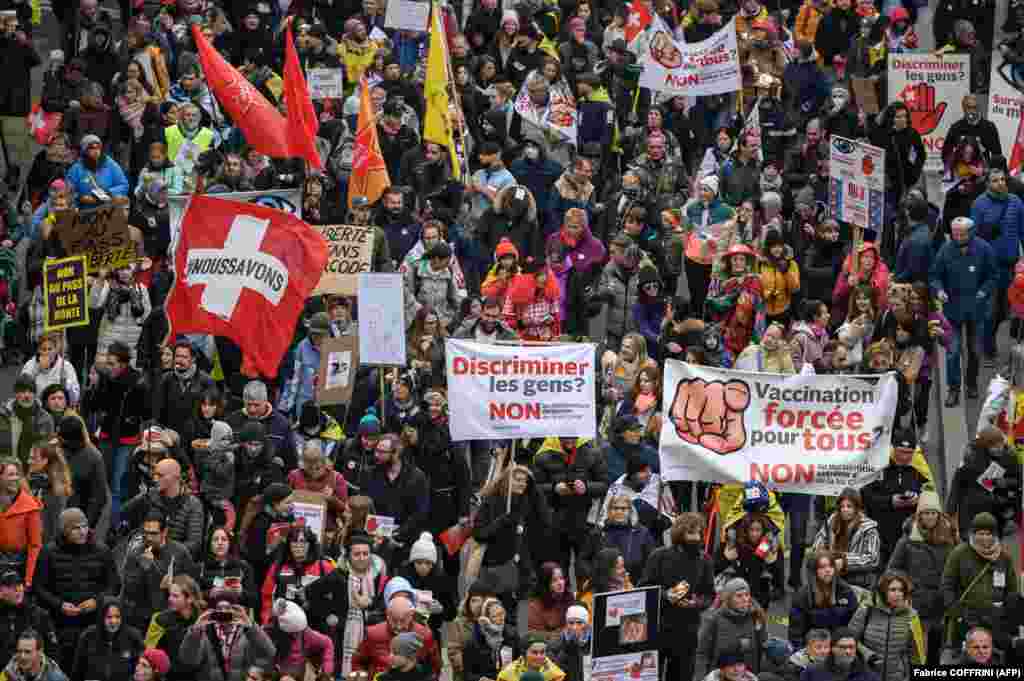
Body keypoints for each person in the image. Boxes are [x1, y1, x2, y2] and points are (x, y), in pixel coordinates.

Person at [33, 507, 118, 670]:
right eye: (76, 528)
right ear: (65, 531)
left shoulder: (102, 551)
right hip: (60, 624)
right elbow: (39, 588)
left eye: (85, 526)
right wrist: (59, 605)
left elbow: (114, 585)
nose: (82, 532)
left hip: (93, 622)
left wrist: (97, 601)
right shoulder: (48, 552)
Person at [929, 216, 996, 406]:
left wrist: (983, 291)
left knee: (974, 350)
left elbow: (993, 276)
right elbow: (934, 276)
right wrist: (939, 290)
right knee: (952, 352)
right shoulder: (945, 250)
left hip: (976, 310)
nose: (958, 237)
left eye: (962, 234)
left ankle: (972, 383)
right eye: (955, 234)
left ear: (971, 232)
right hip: (953, 311)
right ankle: (953, 389)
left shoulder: (984, 249)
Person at [641, 513, 714, 681]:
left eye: (698, 533)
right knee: (650, 676)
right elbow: (644, 587)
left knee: (682, 675)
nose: (696, 537)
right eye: (691, 533)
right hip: (657, 626)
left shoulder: (705, 560)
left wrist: (696, 603)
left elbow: (709, 595)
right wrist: (666, 595)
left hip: (687, 630)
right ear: (680, 533)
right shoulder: (659, 556)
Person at [886, 491, 955, 665]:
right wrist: (909, 587)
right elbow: (893, 570)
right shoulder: (907, 540)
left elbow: (956, 568)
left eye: (933, 513)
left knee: (937, 652)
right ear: (919, 515)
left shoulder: (950, 538)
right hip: (917, 604)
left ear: (938, 515)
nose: (930, 517)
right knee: (918, 653)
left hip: (942, 605)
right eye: (926, 513)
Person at [940, 511, 1018, 656]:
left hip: (995, 621)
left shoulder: (1004, 557)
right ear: (973, 534)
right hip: (967, 621)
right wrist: (957, 613)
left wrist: (1005, 614)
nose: (984, 538)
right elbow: (947, 585)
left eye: (988, 534)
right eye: (980, 533)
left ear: (995, 535)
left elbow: (1012, 589)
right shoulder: (960, 553)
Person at [860, 429, 929, 566]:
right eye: (901, 452)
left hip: (908, 535)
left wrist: (917, 499)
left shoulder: (917, 471)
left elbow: (928, 496)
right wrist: (890, 501)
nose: (905, 457)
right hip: (880, 533)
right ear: (893, 449)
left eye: (909, 453)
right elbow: (865, 496)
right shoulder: (878, 468)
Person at [121, 511, 198, 633]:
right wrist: (143, 569)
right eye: (146, 533)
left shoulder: (180, 552)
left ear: (164, 532)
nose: (149, 538)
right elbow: (129, 590)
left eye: (153, 533)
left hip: (172, 618)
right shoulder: (135, 554)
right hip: (141, 618)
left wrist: (157, 572)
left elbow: (192, 586)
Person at [177, 590, 276, 681]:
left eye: (228, 608)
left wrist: (251, 627)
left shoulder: (247, 632)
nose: (223, 611)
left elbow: (270, 653)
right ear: (213, 612)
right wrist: (195, 631)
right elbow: (188, 660)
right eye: (219, 608)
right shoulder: (204, 632)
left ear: (235, 610)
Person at [848, 572, 925, 681]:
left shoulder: (912, 616)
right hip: (867, 674)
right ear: (883, 591)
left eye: (901, 590)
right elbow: (850, 639)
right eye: (893, 590)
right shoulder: (867, 609)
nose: (898, 594)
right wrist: (868, 655)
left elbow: (916, 654)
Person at [121, 458, 204, 558]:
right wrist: (143, 495)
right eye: (155, 475)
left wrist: (164, 551)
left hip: (176, 558)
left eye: (160, 475)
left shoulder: (192, 503)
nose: (155, 479)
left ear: (175, 477)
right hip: (146, 553)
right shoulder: (150, 496)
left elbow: (194, 544)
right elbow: (123, 514)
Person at [809, 488, 880, 592]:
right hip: (831, 572)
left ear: (857, 508)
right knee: (811, 562)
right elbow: (818, 542)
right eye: (842, 506)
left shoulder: (869, 528)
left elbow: (872, 559)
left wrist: (844, 562)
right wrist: (822, 555)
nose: (845, 509)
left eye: (849, 506)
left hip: (857, 578)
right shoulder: (833, 520)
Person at [353, 595, 441, 677]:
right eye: (394, 620)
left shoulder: (425, 635)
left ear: (411, 615)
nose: (399, 626)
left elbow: (435, 666)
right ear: (387, 615)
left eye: (403, 621)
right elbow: (358, 662)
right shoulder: (373, 634)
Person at [142, 576, 200, 681]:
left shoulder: (201, 620)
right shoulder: (160, 620)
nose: (169, 599)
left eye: (175, 596)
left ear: (190, 599)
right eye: (170, 595)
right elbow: (149, 653)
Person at [71, 597, 144, 681]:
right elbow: (77, 672)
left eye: (117, 617)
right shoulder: (88, 636)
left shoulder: (134, 636)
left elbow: (142, 672)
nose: (113, 621)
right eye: (109, 617)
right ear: (101, 617)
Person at [154, 341, 215, 438]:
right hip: (171, 435)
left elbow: (212, 413)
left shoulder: (206, 380)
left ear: (193, 359)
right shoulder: (166, 379)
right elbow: (159, 411)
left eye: (184, 357)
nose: (179, 360)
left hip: (197, 436)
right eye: (177, 356)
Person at [264, 598, 334, 680]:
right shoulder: (268, 634)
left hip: (300, 674)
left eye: (297, 632)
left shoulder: (305, 632)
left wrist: (326, 670)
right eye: (293, 633)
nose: (296, 634)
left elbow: (327, 643)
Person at [0, 569, 58, 665]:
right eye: (10, 586)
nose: (17, 589)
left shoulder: (40, 615)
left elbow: (53, 652)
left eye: (19, 585)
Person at [0, 375, 54, 467]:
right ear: (15, 394)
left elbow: (48, 451)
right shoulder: (2, 415)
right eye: (22, 391)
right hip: (5, 469)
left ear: (35, 394)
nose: (26, 395)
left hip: (34, 469)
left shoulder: (45, 419)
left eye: (30, 391)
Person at [0, 629, 68, 681]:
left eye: (28, 652)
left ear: (40, 652)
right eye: (19, 651)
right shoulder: (9, 670)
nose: (22, 656)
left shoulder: (56, 677)